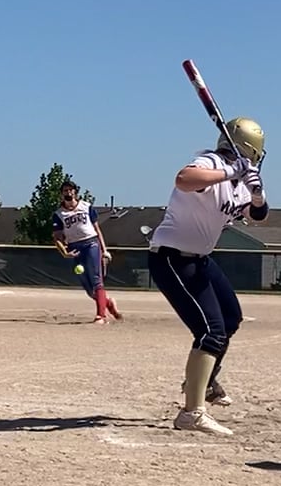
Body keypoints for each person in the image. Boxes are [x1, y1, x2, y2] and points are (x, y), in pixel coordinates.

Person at [148, 118, 268, 436]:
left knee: (229, 319)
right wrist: (232, 171)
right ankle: (192, 413)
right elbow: (184, 179)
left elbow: (256, 215)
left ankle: (205, 381)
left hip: (200, 260)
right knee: (210, 332)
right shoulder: (212, 163)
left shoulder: (239, 180)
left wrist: (257, 195)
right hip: (171, 257)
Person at [53, 181, 121, 323]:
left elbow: (97, 229)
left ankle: (101, 316)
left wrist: (104, 250)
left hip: (91, 244)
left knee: (96, 280)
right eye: (65, 190)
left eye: (71, 190)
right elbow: (57, 237)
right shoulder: (59, 214)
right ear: (61, 193)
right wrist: (64, 252)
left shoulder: (86, 207)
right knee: (89, 289)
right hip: (74, 248)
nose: (68, 192)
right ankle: (108, 303)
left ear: (75, 192)